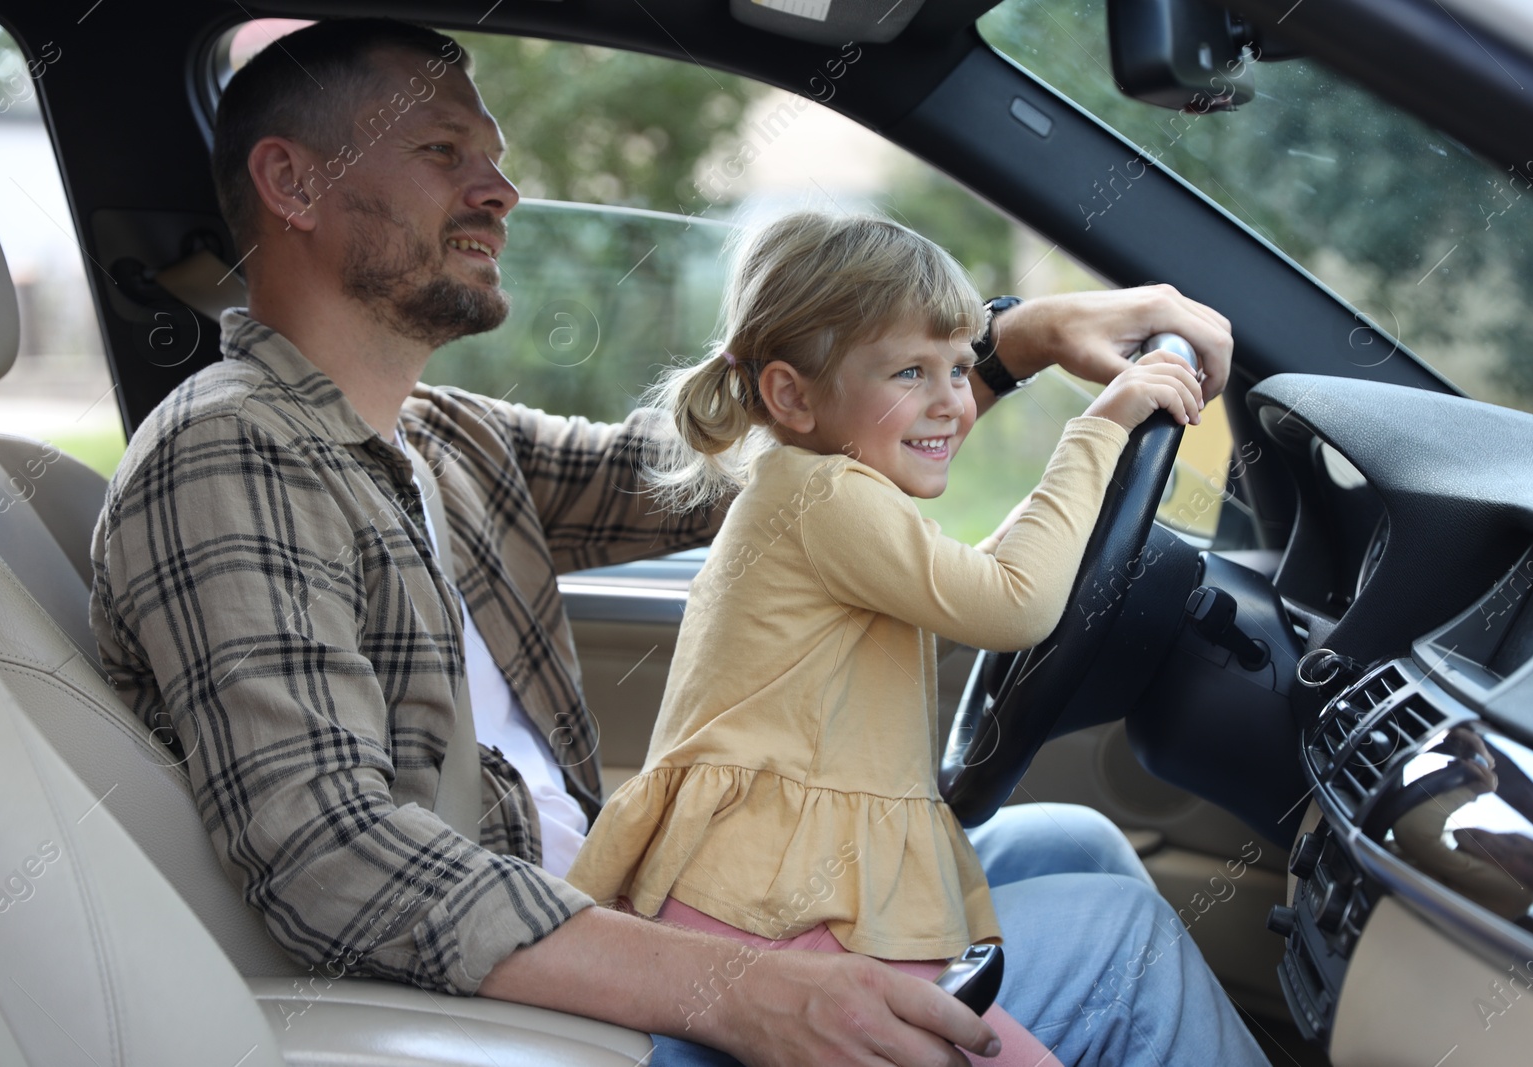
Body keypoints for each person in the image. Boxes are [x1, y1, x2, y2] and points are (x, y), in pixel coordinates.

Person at [86, 16, 1260, 1066]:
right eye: (444, 152)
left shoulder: (441, 436)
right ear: (293, 181)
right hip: (515, 999)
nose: (500, 189)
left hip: (607, 908)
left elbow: (733, 480)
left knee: (1081, 843)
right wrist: (746, 989)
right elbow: (331, 857)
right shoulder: (227, 454)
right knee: (1117, 943)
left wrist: (1010, 342)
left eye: (492, 157)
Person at [564, 210, 1248, 1067]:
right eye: (910, 371)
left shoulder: (822, 486)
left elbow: (975, 580)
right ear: (791, 395)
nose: (952, 401)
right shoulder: (826, 497)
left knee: (1082, 840)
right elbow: (1011, 606)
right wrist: (1102, 428)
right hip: (773, 905)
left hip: (776, 871)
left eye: (962, 367)